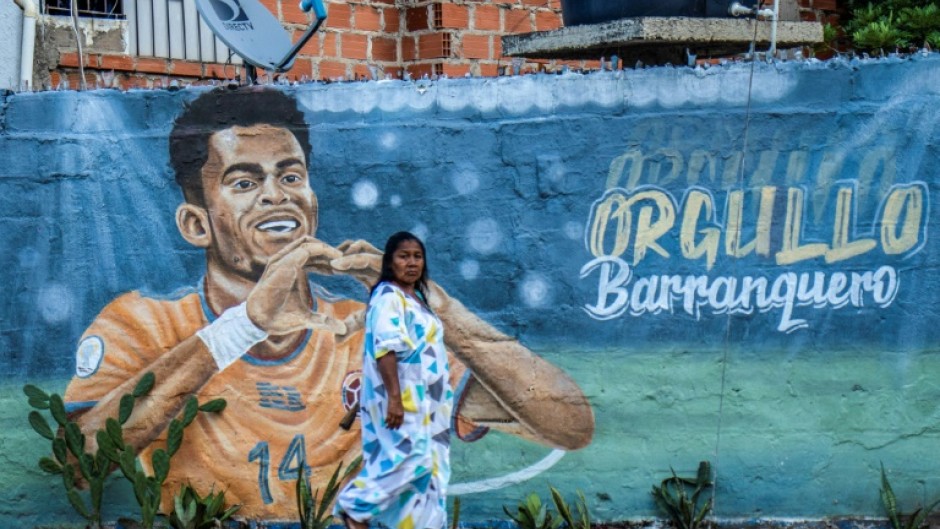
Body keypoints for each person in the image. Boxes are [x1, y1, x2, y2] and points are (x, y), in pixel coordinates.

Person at [63, 87, 594, 519]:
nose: (277, 195)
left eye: (291, 176)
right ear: (196, 223)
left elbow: (568, 425)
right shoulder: (140, 323)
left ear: (313, 200)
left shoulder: (368, 326)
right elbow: (75, 462)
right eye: (244, 181)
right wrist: (244, 325)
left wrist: (429, 302)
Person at [335, 232, 451, 529]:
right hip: (401, 400)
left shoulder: (418, 298)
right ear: (390, 262)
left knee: (431, 474)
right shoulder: (388, 296)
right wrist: (396, 400)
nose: (411, 263)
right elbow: (385, 349)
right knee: (411, 460)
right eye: (403, 256)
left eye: (417, 256)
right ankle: (355, 508)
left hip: (429, 405)